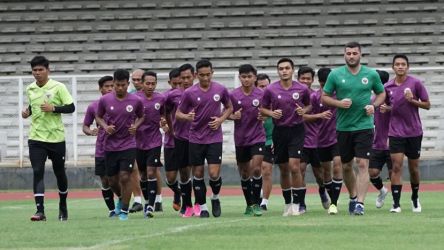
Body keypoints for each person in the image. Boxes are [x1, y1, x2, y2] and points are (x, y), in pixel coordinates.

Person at [322, 41, 385, 215]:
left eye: (354, 53)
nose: (351, 56)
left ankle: (360, 204)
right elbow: (324, 97)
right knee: (347, 166)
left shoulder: (370, 74)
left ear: (360, 54)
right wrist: (338, 103)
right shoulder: (335, 75)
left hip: (364, 126)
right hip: (343, 127)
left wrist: (375, 106)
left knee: (362, 163)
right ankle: (352, 196)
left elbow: (381, 93)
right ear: (344, 55)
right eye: (348, 53)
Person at [176, 59, 233, 218]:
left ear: (212, 73)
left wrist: (221, 120)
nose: (205, 78)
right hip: (195, 138)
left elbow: (229, 108)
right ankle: (203, 207)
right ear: (196, 75)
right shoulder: (189, 93)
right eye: (202, 75)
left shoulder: (220, 89)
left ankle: (215, 197)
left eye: (208, 75)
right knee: (198, 173)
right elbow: (178, 114)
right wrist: (187, 116)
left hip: (214, 137)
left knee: (214, 174)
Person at [22, 55, 75, 221]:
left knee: (60, 173)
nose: (37, 73)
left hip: (56, 138)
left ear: (47, 70)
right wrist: (27, 112)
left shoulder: (58, 87)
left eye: (40, 70)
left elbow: (71, 107)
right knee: (38, 171)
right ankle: (40, 211)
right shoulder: (30, 88)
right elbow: (33, 106)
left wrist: (54, 108)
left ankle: (63, 205)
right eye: (34, 70)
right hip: (36, 138)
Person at [261, 58, 311, 216]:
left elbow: (309, 105)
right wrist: (271, 113)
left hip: (296, 130)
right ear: (278, 71)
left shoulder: (302, 88)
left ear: (292, 70)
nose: (284, 71)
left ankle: (297, 203)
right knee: (283, 169)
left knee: (294, 166)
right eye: (281, 68)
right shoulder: (271, 89)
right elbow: (262, 109)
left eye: (287, 68)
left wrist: (304, 111)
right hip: (279, 131)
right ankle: (287, 203)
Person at [96, 69, 144, 221]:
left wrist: (135, 125)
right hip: (110, 146)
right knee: (112, 181)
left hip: (128, 144)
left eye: (123, 85)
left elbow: (142, 116)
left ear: (127, 84)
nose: (120, 88)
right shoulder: (105, 100)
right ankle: (122, 199)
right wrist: (105, 126)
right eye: (117, 85)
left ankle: (124, 210)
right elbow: (98, 116)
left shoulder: (136, 100)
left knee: (125, 177)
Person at [384, 54, 430, 213]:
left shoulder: (415, 83)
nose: (400, 66)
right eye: (397, 64)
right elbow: (390, 106)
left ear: (407, 67)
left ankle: (415, 197)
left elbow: (427, 105)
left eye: (403, 64)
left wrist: (412, 100)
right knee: (396, 166)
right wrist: (385, 108)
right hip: (396, 132)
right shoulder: (388, 86)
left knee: (414, 168)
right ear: (393, 67)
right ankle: (396, 204)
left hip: (414, 132)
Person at [229, 64, 264, 216]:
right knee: (244, 173)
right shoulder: (233, 95)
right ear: (239, 77)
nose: (247, 79)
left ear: (255, 77)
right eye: (243, 77)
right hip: (241, 138)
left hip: (258, 136)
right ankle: (249, 204)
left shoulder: (262, 94)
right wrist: (232, 116)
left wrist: (265, 115)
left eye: (249, 76)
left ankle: (256, 203)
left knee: (256, 169)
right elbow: (225, 112)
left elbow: (269, 111)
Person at [82, 75, 118, 217]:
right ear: (100, 89)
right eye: (106, 86)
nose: (109, 89)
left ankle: (122, 203)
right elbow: (85, 126)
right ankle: (111, 210)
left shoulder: (124, 103)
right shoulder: (93, 106)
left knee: (118, 179)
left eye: (111, 86)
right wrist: (90, 131)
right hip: (102, 149)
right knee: (105, 180)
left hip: (120, 147)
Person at [298, 66, 330, 214]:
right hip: (299, 140)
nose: (305, 81)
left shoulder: (316, 97)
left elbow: (320, 116)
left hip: (316, 140)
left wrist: (318, 117)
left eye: (308, 79)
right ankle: (302, 203)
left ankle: (322, 191)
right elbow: (300, 117)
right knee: (300, 171)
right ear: (298, 79)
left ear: (312, 80)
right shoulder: (294, 96)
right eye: (302, 78)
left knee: (319, 175)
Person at [166, 63, 196, 217]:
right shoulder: (173, 95)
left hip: (196, 138)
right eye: (180, 80)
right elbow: (163, 112)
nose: (183, 82)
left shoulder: (199, 93)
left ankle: (191, 205)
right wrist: (169, 127)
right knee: (176, 177)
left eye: (186, 78)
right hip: (177, 139)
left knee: (193, 172)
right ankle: (180, 195)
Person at [313, 68, 344, 215]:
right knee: (325, 172)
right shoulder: (314, 97)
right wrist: (319, 115)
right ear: (319, 82)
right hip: (320, 139)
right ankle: (328, 196)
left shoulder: (339, 95)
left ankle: (334, 203)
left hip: (337, 137)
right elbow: (305, 116)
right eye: (323, 83)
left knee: (337, 166)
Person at [135, 71, 166, 218]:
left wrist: (164, 122)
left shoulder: (160, 98)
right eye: (147, 83)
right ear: (141, 83)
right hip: (138, 142)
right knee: (142, 174)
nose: (150, 86)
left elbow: (164, 115)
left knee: (151, 172)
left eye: (153, 83)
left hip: (154, 140)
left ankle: (151, 207)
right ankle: (147, 201)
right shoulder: (134, 99)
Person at [368, 70, 391, 209]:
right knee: (372, 173)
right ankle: (382, 191)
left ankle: (396, 202)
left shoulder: (391, 96)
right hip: (377, 142)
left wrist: (390, 108)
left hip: (392, 140)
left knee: (394, 173)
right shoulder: (371, 99)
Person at [162, 68, 182, 212]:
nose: (177, 86)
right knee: (170, 178)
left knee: (188, 173)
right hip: (170, 141)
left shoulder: (190, 94)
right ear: (170, 82)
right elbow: (159, 113)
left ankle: (188, 204)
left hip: (187, 140)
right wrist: (162, 123)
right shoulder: (166, 97)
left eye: (179, 83)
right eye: (174, 83)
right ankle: (178, 191)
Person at [256, 74, 274, 211]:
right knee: (254, 170)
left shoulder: (275, 101)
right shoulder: (251, 101)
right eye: (261, 86)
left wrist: (276, 139)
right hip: (254, 140)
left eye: (266, 86)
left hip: (269, 140)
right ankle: (255, 194)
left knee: (266, 170)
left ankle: (264, 202)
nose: (264, 89)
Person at [127, 68, 145, 213]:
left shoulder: (154, 96)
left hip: (148, 139)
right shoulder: (129, 96)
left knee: (150, 171)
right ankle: (137, 200)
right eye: (134, 79)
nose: (137, 82)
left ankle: (157, 199)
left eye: (139, 79)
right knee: (133, 169)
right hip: (131, 139)